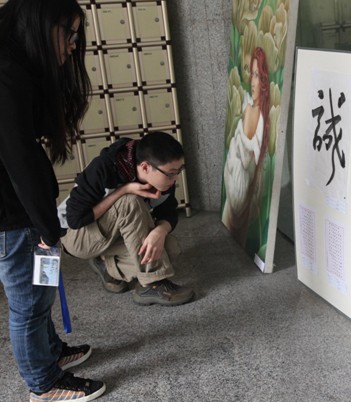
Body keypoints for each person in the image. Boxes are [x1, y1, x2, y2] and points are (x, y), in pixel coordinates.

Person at [0, 0, 106, 400]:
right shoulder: (5, 74)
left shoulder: (14, 67)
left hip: (20, 207)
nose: (74, 45)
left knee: (38, 294)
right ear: (41, 27)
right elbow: (19, 157)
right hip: (12, 213)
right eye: (70, 33)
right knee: (28, 302)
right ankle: (43, 384)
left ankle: (50, 353)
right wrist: (47, 224)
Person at [59, 132, 194, 307]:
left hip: (113, 234)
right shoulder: (104, 167)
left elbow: (168, 212)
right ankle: (151, 284)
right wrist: (124, 190)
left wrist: (160, 231)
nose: (175, 179)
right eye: (171, 174)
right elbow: (75, 219)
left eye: (179, 171)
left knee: (169, 247)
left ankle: (107, 265)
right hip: (76, 236)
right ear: (145, 167)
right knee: (130, 201)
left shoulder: (164, 179)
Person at [222, 47, 271, 247]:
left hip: (242, 188)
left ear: (265, 81)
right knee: (232, 233)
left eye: (257, 76)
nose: (252, 81)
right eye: (252, 74)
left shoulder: (258, 115)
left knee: (237, 234)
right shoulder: (249, 108)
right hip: (237, 184)